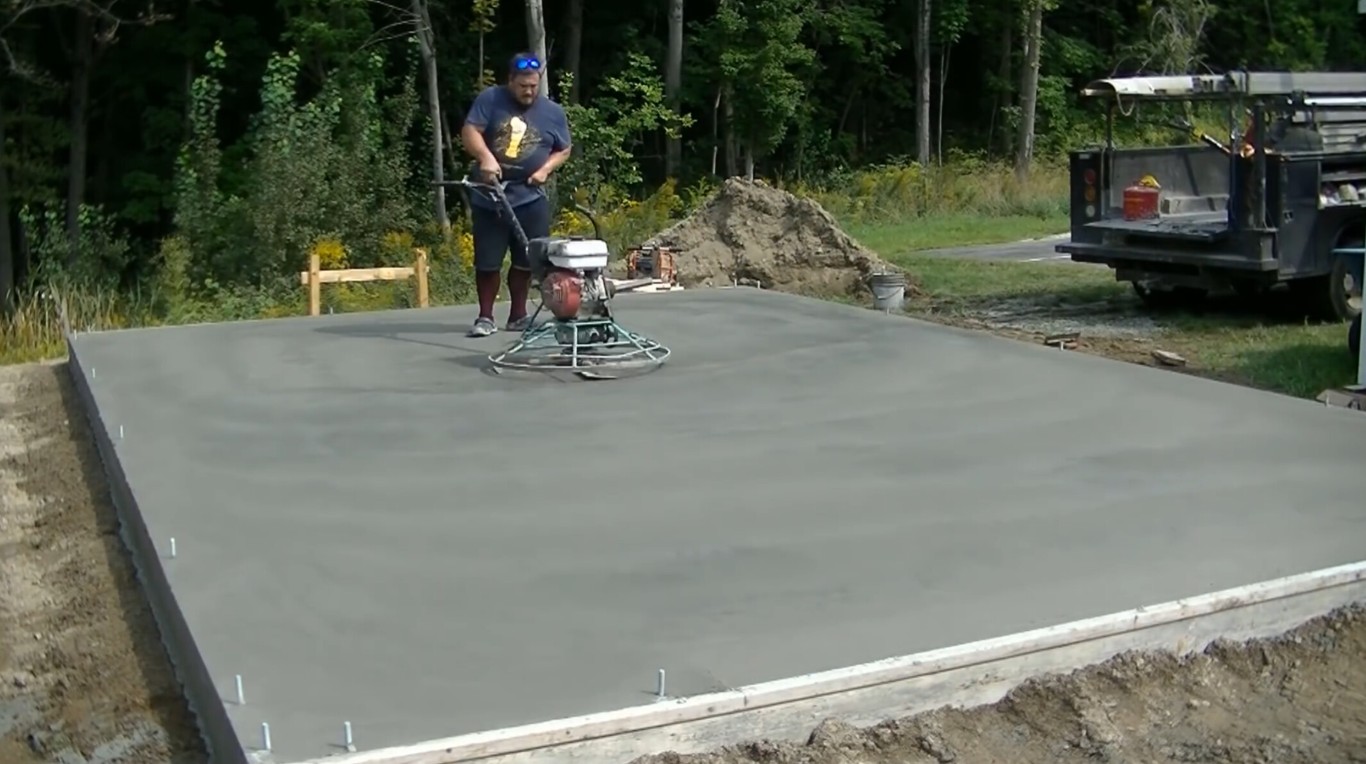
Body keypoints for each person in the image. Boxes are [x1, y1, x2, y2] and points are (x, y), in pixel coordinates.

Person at [459, 52, 573, 337]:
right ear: (511, 81)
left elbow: (564, 148)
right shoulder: (491, 100)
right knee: (488, 261)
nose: (529, 91)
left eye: (533, 85)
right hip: (491, 195)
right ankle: (485, 316)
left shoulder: (552, 112)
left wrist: (546, 169)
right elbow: (470, 130)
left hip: (530, 195)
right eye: (523, 85)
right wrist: (485, 157)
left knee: (528, 257)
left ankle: (518, 315)